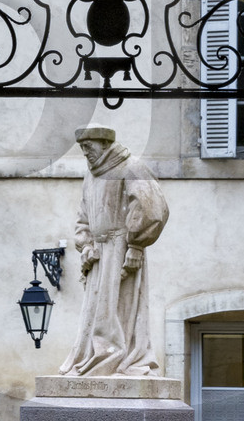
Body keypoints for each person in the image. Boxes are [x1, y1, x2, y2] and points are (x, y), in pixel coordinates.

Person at [59, 123, 170, 375]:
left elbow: (152, 209)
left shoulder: (131, 167)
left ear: (105, 144)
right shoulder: (91, 175)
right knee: (96, 312)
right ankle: (93, 357)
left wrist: (136, 246)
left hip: (121, 248)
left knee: (120, 308)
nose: (86, 153)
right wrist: (86, 244)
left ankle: (122, 359)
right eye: (82, 148)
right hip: (98, 254)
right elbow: (82, 217)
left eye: (89, 147)